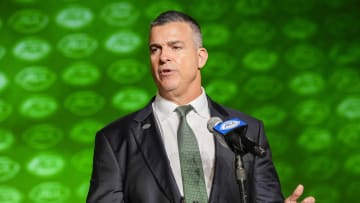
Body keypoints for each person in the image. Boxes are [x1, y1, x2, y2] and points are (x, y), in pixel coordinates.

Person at [86, 10, 315, 203]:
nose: (164, 56)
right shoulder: (116, 138)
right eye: (155, 49)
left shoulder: (247, 131)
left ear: (201, 57)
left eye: (175, 47)